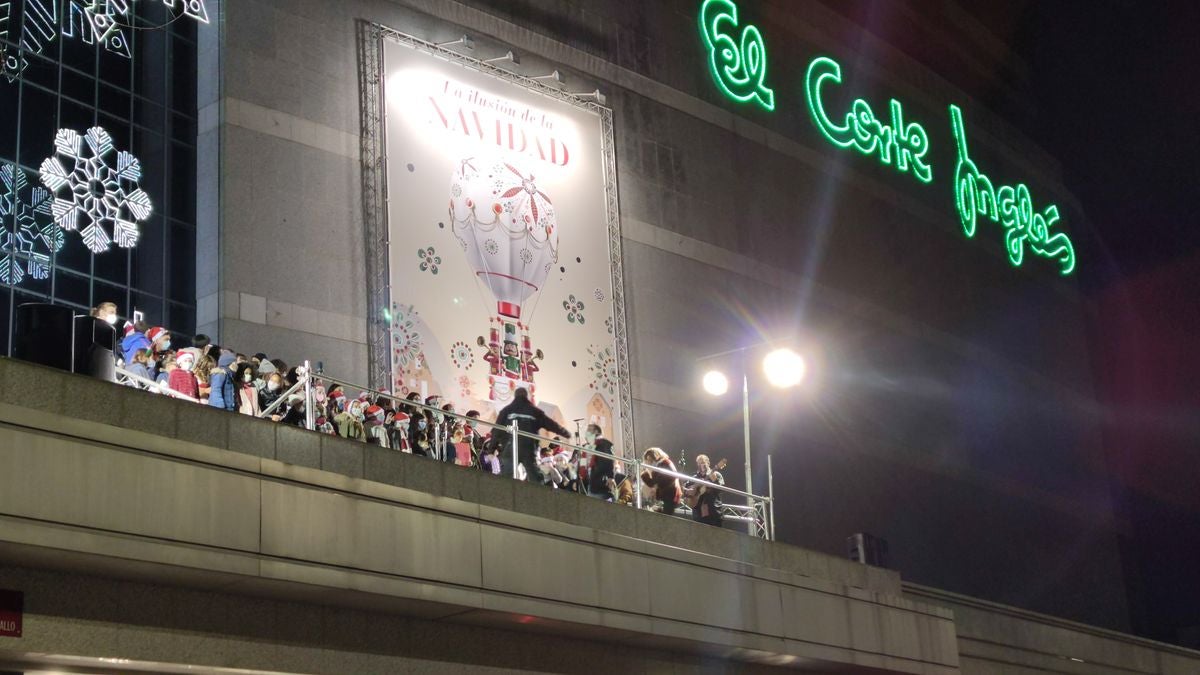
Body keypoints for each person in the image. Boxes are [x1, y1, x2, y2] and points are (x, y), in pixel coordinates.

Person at [494, 387, 570, 483]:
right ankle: (537, 493)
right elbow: (550, 424)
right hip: (528, 447)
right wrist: (564, 432)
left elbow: (496, 431)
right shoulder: (534, 410)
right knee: (534, 475)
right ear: (526, 396)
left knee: (508, 474)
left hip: (512, 447)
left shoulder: (507, 410)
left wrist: (491, 449)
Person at [640, 447, 682, 515]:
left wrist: (648, 472)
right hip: (666, 495)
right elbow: (652, 483)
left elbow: (655, 482)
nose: (649, 462)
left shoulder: (665, 463)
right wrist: (645, 473)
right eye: (647, 460)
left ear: (655, 456)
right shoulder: (660, 465)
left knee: (667, 517)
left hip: (670, 495)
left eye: (649, 459)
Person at [685, 454, 725, 526]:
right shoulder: (694, 477)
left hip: (714, 513)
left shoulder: (716, 474)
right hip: (698, 515)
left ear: (708, 463)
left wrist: (714, 479)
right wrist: (694, 490)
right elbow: (685, 492)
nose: (702, 465)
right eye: (699, 463)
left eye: (703, 462)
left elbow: (721, 489)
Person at [585, 424, 616, 499]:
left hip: (601, 483)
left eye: (589, 430)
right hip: (593, 484)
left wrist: (610, 477)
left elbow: (609, 460)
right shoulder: (591, 445)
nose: (587, 432)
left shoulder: (604, 443)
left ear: (596, 431)